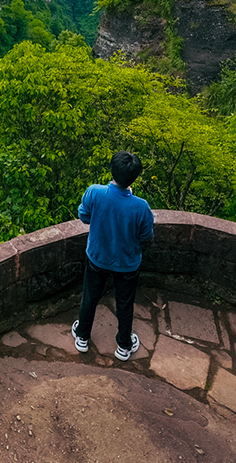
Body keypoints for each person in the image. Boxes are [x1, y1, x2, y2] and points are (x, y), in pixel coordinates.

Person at [72, 151, 154, 361]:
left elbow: (84, 216)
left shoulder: (95, 193)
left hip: (97, 256)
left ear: (112, 170)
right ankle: (124, 346)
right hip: (127, 263)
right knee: (125, 303)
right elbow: (146, 235)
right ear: (134, 177)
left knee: (90, 296)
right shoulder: (141, 206)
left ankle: (82, 336)